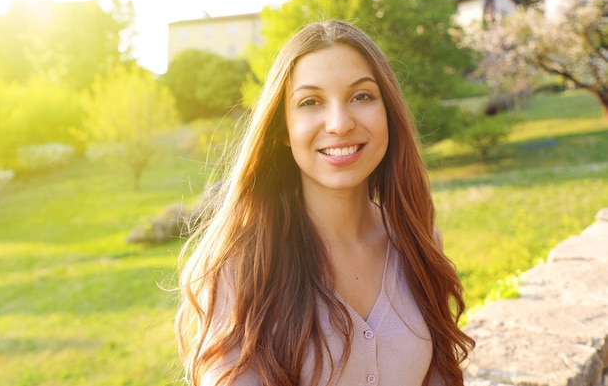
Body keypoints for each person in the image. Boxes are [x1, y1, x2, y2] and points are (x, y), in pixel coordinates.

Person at [176, 20, 474, 386]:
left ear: (388, 113)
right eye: (310, 102)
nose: (339, 123)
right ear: (283, 129)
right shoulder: (239, 265)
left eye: (361, 96)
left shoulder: (417, 240)